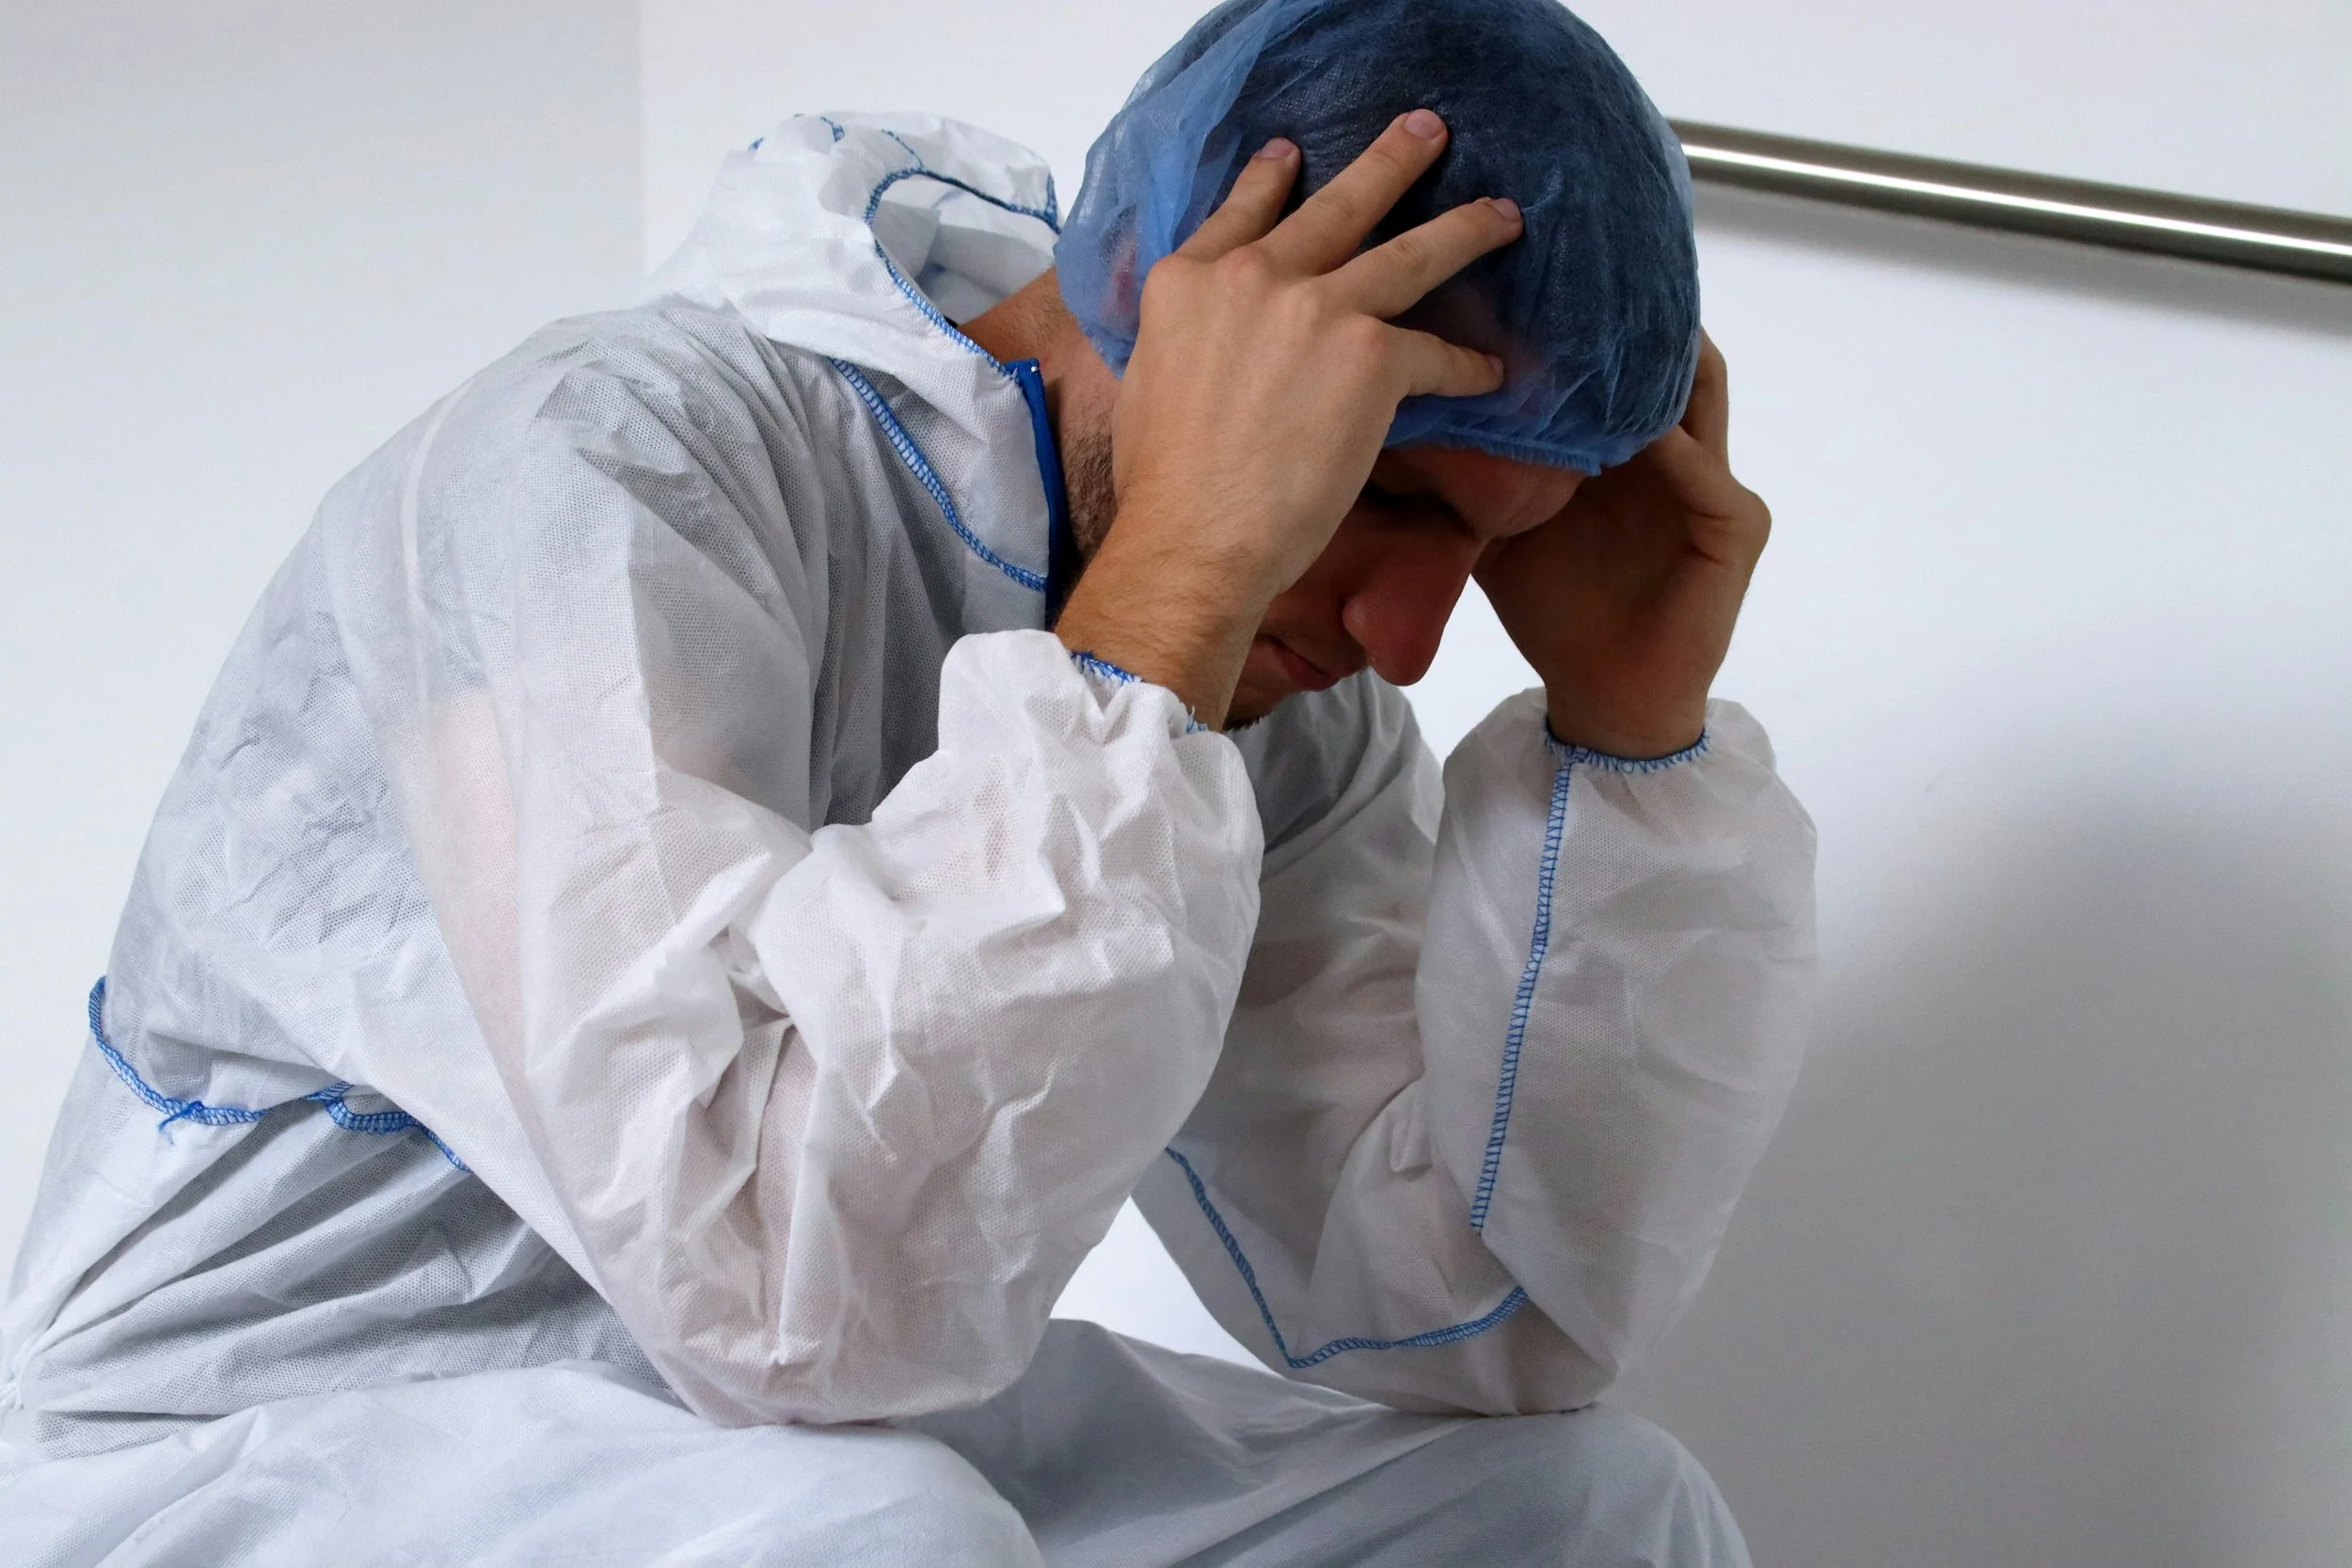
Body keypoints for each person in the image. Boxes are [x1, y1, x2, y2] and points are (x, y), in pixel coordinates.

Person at [0, 0, 1816, 1562]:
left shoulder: (1263, 675)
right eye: (1391, 492)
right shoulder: (610, 462)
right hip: (260, 1446)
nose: (1411, 641)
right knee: (882, 1530)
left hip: (794, 1441)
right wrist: (1168, 604)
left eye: (1493, 544)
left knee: (1589, 1509)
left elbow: (1465, 1320)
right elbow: (784, 1300)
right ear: (1161, 303)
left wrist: (1625, 732)